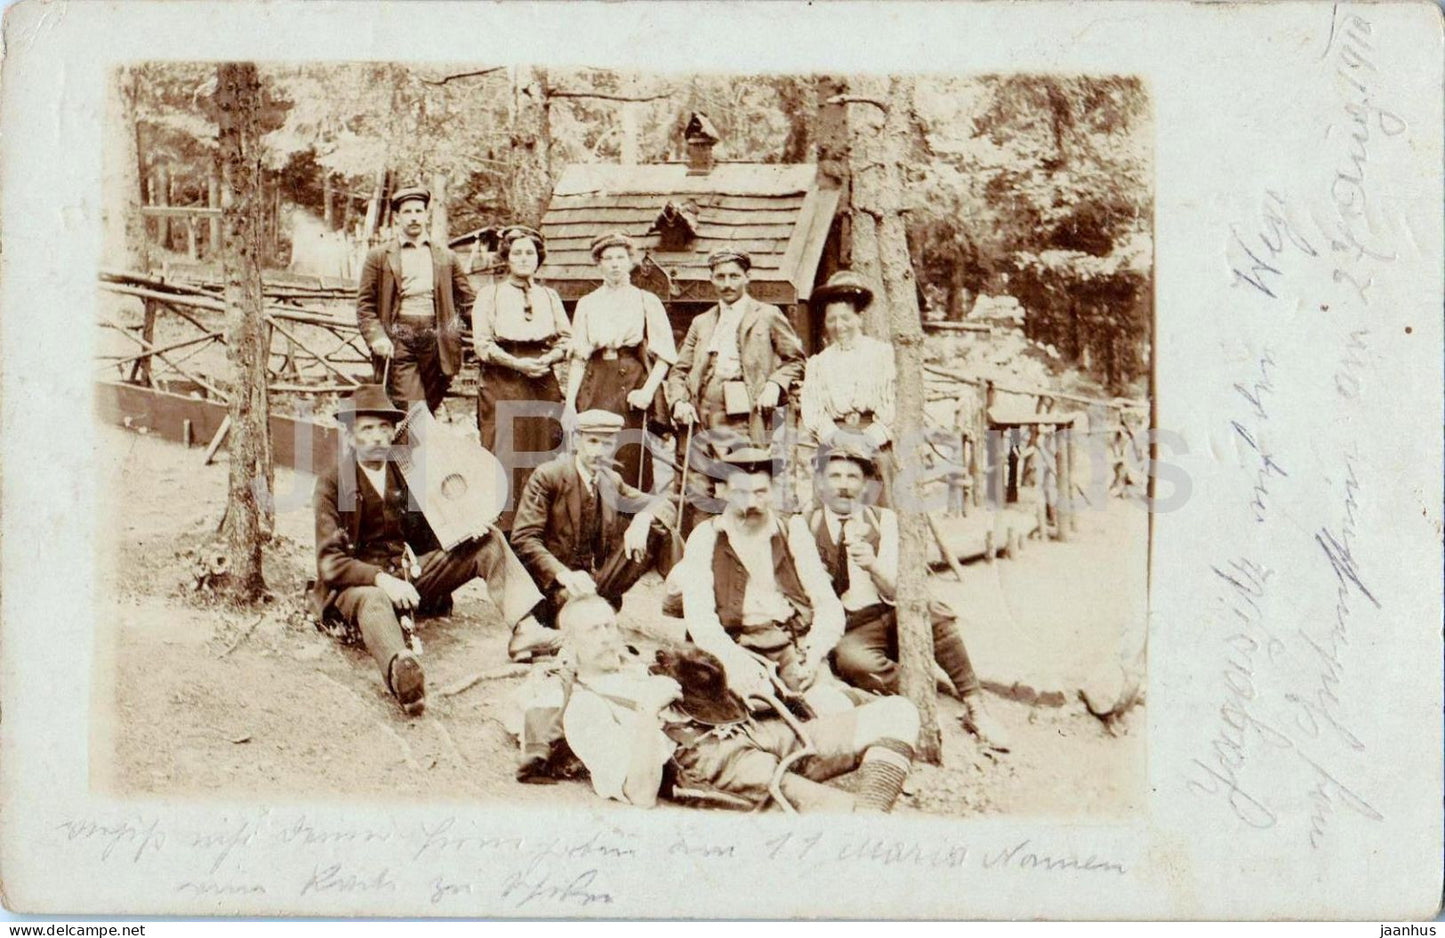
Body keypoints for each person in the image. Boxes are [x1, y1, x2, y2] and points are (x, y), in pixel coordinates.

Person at [310, 385, 560, 713]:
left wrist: (465, 530)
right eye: (366, 428)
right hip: (355, 587)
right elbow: (330, 562)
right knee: (373, 600)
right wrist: (382, 580)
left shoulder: (404, 474)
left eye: (384, 428)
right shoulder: (333, 481)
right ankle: (402, 673)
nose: (376, 437)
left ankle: (525, 630)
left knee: (489, 541)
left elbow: (430, 535)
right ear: (351, 434)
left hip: (407, 574)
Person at [556, 594, 919, 812]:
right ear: (570, 644)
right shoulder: (585, 710)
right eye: (593, 631)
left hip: (756, 730)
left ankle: (872, 818)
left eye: (609, 626)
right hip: (713, 764)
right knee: (847, 815)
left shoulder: (641, 665)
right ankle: (869, 826)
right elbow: (640, 794)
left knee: (898, 713)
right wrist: (648, 711)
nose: (607, 638)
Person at [809, 441, 1010, 751]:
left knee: (937, 614)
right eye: (835, 476)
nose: (844, 486)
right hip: (852, 626)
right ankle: (924, 698)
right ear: (821, 482)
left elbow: (897, 590)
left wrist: (873, 565)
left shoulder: (883, 521)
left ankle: (974, 705)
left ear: (865, 483)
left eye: (852, 477)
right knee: (855, 662)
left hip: (891, 610)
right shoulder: (806, 525)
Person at [671, 446, 856, 715]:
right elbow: (701, 621)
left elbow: (828, 604)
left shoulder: (791, 529)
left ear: (772, 491)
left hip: (790, 642)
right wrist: (735, 663)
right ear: (721, 491)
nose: (751, 504)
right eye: (740, 493)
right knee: (754, 707)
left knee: (830, 707)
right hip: (734, 645)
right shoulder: (705, 537)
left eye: (760, 492)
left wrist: (814, 654)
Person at [510, 409, 677, 630]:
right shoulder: (549, 476)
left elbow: (664, 504)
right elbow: (523, 539)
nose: (598, 452)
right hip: (554, 587)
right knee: (577, 617)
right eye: (593, 441)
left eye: (607, 444)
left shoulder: (610, 480)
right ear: (577, 440)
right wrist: (563, 575)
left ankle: (685, 598)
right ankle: (574, 619)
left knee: (658, 527)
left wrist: (643, 519)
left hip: (596, 581)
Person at [472, 225, 572, 530]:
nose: (524, 258)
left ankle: (541, 527)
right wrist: (518, 364)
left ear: (539, 258)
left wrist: (548, 358)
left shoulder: (549, 296)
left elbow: (567, 339)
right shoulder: (491, 294)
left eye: (530, 253)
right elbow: (483, 345)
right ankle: (504, 529)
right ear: (506, 257)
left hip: (543, 379)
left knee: (545, 449)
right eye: (517, 252)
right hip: (503, 381)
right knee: (505, 452)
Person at [563, 232, 677, 492]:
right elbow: (579, 359)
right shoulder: (587, 304)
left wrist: (647, 391)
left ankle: (631, 518)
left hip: (631, 384)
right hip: (595, 381)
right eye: (608, 258)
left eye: (620, 258)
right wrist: (570, 404)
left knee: (629, 452)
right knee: (591, 448)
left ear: (630, 262)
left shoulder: (645, 300)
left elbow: (665, 355)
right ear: (599, 263)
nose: (615, 264)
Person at [355, 186, 476, 414]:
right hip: (399, 336)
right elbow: (365, 305)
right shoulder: (379, 256)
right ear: (397, 217)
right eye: (407, 212)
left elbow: (468, 302)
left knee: (427, 409)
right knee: (411, 407)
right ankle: (409, 448)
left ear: (426, 215)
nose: (414, 217)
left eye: (419, 211)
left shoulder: (446, 256)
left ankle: (409, 449)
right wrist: (377, 337)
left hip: (438, 339)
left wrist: (490, 327)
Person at [666, 249, 805, 445]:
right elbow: (678, 371)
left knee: (740, 470)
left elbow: (796, 361)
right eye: (720, 277)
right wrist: (679, 401)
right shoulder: (701, 322)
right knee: (699, 471)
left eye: (734, 276)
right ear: (711, 279)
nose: (727, 284)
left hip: (744, 414)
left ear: (747, 277)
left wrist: (774, 385)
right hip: (701, 413)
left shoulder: (767, 315)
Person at [799, 270, 897, 504]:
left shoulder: (881, 354)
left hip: (874, 443)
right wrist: (835, 437)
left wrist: (867, 440)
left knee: (876, 517)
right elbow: (813, 410)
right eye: (831, 319)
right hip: (834, 442)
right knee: (828, 515)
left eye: (845, 318)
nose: (839, 326)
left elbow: (892, 403)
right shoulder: (819, 363)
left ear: (859, 318)